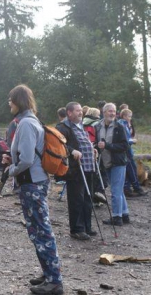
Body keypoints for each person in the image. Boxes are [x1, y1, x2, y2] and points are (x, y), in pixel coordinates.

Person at [2, 84, 63, 295]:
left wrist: (11, 169)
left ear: (18, 100)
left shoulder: (26, 124)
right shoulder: (32, 121)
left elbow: (27, 159)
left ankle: (54, 281)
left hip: (32, 183)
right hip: (34, 181)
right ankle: (48, 274)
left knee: (41, 230)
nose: (9, 103)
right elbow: (26, 154)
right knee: (37, 229)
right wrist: (13, 159)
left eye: (10, 99)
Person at [56, 102, 99, 241]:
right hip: (75, 169)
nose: (81, 113)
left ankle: (87, 226)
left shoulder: (81, 125)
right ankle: (77, 229)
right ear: (69, 113)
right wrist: (71, 150)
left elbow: (85, 141)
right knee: (76, 199)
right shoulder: (63, 127)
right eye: (77, 111)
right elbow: (59, 145)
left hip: (88, 166)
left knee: (88, 197)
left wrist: (92, 149)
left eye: (81, 110)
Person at [95, 102, 130, 226]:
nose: (112, 113)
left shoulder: (119, 127)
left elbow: (125, 145)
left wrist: (107, 146)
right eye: (110, 111)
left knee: (115, 191)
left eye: (114, 111)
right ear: (104, 113)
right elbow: (97, 142)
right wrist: (96, 147)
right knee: (118, 190)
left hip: (118, 162)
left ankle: (116, 217)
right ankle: (124, 214)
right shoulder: (98, 126)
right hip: (106, 162)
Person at [118, 109, 147, 197]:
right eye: (129, 116)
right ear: (124, 116)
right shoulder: (122, 124)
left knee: (127, 169)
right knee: (132, 169)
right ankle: (137, 188)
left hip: (125, 150)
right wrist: (132, 141)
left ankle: (127, 188)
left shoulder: (125, 124)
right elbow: (125, 139)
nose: (130, 118)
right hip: (126, 150)